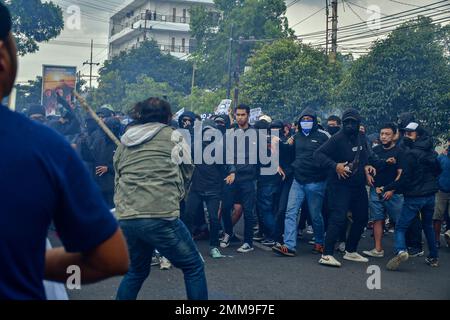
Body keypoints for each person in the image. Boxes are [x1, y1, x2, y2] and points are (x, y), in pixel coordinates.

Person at [0, 3, 129, 299]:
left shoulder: (53, 144)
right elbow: (111, 257)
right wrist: (22, 261)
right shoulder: (43, 147)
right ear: (4, 58)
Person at [114, 97, 208, 300]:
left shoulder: (126, 139)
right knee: (193, 266)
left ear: (140, 114)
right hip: (160, 214)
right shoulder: (174, 135)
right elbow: (188, 169)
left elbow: (118, 172)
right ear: (168, 116)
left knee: (136, 271)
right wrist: (176, 194)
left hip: (127, 214)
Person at [314, 108, 375, 267]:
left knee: (362, 218)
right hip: (339, 186)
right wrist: (335, 166)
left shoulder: (361, 137)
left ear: (358, 124)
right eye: (346, 122)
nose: (349, 125)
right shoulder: (337, 138)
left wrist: (368, 166)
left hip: (358, 185)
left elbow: (365, 156)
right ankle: (326, 254)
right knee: (338, 218)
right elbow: (318, 155)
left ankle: (351, 251)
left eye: (352, 122)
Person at [272, 107, 329, 256]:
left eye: (309, 120)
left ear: (314, 121)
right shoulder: (296, 136)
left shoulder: (323, 136)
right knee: (290, 212)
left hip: (316, 182)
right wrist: (280, 143)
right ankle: (289, 246)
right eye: (304, 120)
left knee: (315, 215)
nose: (306, 122)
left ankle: (319, 242)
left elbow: (332, 154)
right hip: (298, 180)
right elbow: (287, 153)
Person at [385, 122, 441, 270]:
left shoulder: (410, 154)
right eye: (405, 132)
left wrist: (388, 187)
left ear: (419, 135)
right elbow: (437, 170)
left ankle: (401, 250)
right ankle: (433, 257)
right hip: (430, 196)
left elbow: (404, 178)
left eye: (410, 133)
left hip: (414, 197)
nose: (406, 135)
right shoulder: (431, 152)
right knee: (428, 226)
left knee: (401, 227)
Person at [185, 119, 236, 258]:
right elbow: (185, 163)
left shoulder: (220, 148)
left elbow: (229, 162)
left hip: (213, 189)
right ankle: (189, 246)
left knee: (214, 219)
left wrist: (232, 172)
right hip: (196, 188)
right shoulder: (195, 147)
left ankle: (214, 246)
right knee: (188, 216)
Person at [363, 123, 404, 258]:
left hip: (394, 193)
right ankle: (378, 249)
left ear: (394, 136)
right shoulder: (375, 150)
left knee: (399, 221)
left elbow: (400, 173)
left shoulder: (400, 151)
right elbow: (368, 163)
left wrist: (392, 189)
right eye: (382, 134)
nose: (384, 137)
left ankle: (401, 250)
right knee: (377, 220)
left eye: (387, 134)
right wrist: (368, 173)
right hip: (376, 190)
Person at [433, 137, 450, 248]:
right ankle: (436, 240)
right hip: (441, 191)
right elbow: (434, 172)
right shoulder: (441, 157)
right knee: (437, 217)